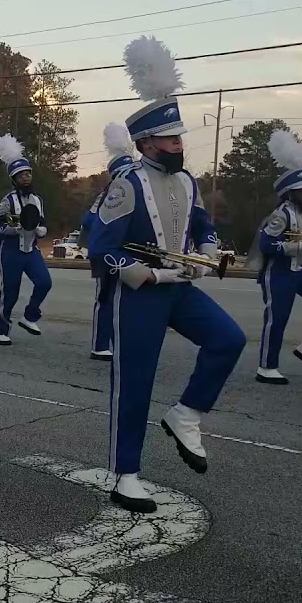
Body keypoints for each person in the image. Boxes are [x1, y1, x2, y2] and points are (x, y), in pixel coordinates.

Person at [88, 36, 246, 514]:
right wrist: (142, 275)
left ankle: (185, 414)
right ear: (147, 143)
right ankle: (125, 474)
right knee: (135, 381)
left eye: (180, 139)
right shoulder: (126, 185)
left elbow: (202, 224)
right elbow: (101, 250)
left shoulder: (186, 181)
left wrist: (211, 248)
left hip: (180, 286)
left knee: (229, 339)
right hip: (142, 293)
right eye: (172, 139)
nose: (180, 146)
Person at [244, 130, 302, 385]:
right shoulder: (281, 214)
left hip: (299, 271)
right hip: (280, 273)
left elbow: (300, 236)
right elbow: (266, 243)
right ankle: (266, 367)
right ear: (290, 193)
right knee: (277, 320)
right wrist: (297, 246)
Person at [0, 134, 52, 346]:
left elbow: (39, 221)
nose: (26, 178)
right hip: (11, 251)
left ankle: (30, 316)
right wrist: (7, 230)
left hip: (31, 250)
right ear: (13, 180)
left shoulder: (38, 200)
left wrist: (42, 230)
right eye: (21, 175)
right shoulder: (8, 201)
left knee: (44, 282)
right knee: (10, 292)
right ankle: (2, 330)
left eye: (28, 174)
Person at [84, 124, 139, 361]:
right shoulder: (107, 194)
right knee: (105, 297)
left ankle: (121, 342)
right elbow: (87, 220)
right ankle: (100, 344)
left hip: (130, 253)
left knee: (129, 301)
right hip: (108, 252)